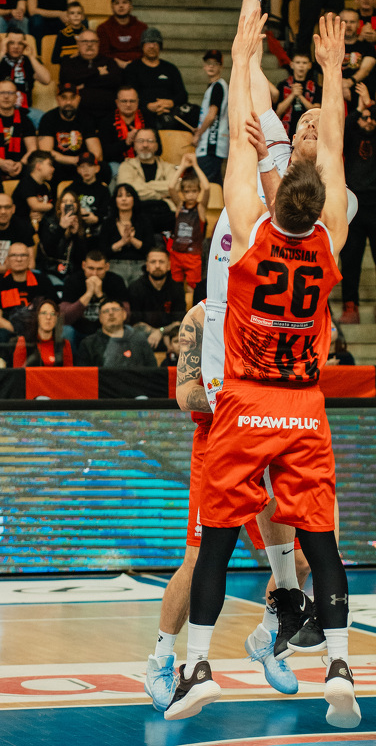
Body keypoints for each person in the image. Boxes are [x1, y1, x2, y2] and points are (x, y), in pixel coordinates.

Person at [165, 6, 360, 731]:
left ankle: (197, 668)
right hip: (303, 406)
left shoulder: (249, 235)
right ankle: (339, 664)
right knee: (322, 543)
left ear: (274, 196)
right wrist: (333, 73)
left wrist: (245, 58)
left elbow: (243, 165)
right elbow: (331, 147)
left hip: (246, 402)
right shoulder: (332, 240)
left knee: (216, 540)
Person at [143, 300, 305, 710]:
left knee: (299, 561)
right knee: (198, 561)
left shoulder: (271, 307)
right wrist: (236, 398)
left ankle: (268, 638)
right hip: (217, 446)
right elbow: (185, 395)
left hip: (266, 440)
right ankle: (161, 660)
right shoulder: (201, 317)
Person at [339, 83, 376, 328]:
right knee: (350, 260)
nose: (368, 120)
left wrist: (372, 106)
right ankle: (349, 306)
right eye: (364, 118)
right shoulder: (351, 138)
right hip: (354, 208)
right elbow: (342, 128)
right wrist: (359, 109)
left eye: (372, 117)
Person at [37, 80, 102, 188]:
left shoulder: (86, 118)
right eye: (64, 98)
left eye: (72, 98)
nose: (68, 102)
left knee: (103, 168)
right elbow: (45, 152)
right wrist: (74, 160)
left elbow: (96, 153)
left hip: (82, 164)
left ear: (78, 99)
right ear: (57, 99)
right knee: (48, 166)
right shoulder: (48, 118)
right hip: (58, 165)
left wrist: (84, 163)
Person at [124, 28, 189, 129]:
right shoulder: (133, 68)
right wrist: (147, 106)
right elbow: (127, 94)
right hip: (142, 113)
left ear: (160, 46)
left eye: (155, 43)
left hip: (169, 113)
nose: (152, 46)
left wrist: (171, 103)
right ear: (142, 46)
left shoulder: (170, 68)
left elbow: (183, 94)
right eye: (148, 42)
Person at [60, 250, 130, 345]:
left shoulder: (116, 281)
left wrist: (100, 295)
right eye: (91, 268)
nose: (94, 274)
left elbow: (126, 315)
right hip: (78, 330)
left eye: (99, 269)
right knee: (64, 330)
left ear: (107, 267)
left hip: (106, 331)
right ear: (83, 265)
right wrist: (88, 294)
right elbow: (64, 318)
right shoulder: (72, 281)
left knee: (128, 329)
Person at [117, 128, 176, 234]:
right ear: (134, 145)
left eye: (150, 141)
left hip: (164, 213)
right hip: (137, 213)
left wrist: (143, 186)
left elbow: (175, 187)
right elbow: (128, 191)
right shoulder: (125, 166)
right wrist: (161, 194)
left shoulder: (168, 167)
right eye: (140, 141)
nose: (145, 145)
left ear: (157, 145)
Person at [0, 242, 57, 352]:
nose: (19, 259)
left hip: (40, 329)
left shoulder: (42, 281)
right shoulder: (1, 283)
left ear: (29, 258)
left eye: (23, 255)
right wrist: (18, 331)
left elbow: (54, 310)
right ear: (7, 259)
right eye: (14, 255)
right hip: (10, 330)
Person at [59, 29, 122, 126]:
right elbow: (66, 80)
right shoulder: (69, 63)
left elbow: (116, 81)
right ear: (78, 44)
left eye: (93, 41)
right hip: (78, 114)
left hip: (108, 113)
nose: (89, 45)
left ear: (98, 44)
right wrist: (96, 72)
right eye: (85, 41)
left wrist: (84, 83)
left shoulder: (109, 62)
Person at [129, 246, 185, 349]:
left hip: (171, 335)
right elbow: (135, 323)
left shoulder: (177, 289)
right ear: (147, 266)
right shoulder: (135, 288)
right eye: (153, 262)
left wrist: (160, 331)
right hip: (143, 336)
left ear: (168, 266)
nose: (157, 266)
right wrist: (156, 332)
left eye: (161, 262)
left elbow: (179, 321)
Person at [168, 153, 210, 292]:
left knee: (192, 288)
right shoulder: (180, 206)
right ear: (182, 193)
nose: (190, 194)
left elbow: (207, 188)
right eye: (186, 191)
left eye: (194, 191)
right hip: (176, 253)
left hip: (193, 255)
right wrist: (182, 166)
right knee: (175, 288)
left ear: (198, 192)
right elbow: (171, 187)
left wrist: (195, 166)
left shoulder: (200, 208)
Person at [77, 296, 157, 368]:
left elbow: (152, 371)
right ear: (100, 318)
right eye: (106, 311)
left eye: (115, 309)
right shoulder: (88, 344)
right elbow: (83, 376)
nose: (111, 313)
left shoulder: (139, 340)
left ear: (124, 314)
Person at [100, 183, 153, 285]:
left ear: (134, 199)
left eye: (128, 195)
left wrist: (132, 240)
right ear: (115, 200)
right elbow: (103, 251)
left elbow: (150, 249)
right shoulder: (108, 222)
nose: (124, 199)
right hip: (115, 265)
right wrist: (122, 242)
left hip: (140, 265)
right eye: (120, 196)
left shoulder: (144, 221)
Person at [35, 186, 87, 280]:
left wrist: (75, 234)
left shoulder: (81, 223)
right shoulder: (49, 222)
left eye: (72, 202)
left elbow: (81, 257)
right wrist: (61, 228)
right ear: (59, 205)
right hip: (51, 270)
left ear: (77, 206)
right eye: (64, 201)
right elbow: (48, 250)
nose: (68, 204)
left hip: (73, 272)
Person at [193, 49, 228, 184]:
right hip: (214, 145)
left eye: (215, 63)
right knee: (215, 185)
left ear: (221, 67)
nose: (211, 66)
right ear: (204, 65)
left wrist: (198, 134)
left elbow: (212, 114)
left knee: (203, 184)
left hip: (211, 145)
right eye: (208, 63)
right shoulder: (215, 86)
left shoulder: (217, 86)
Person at [12, 296, 73, 367]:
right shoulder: (24, 342)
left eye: (52, 314)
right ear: (37, 317)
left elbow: (69, 372)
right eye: (44, 313)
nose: (48, 317)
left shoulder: (64, 344)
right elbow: (18, 372)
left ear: (56, 319)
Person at [97, 85, 148, 171]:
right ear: (117, 102)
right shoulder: (107, 121)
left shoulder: (147, 118)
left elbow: (159, 150)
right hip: (118, 164)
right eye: (124, 101)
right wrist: (126, 142)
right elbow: (106, 154)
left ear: (137, 102)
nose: (128, 104)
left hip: (145, 162)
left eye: (132, 101)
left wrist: (142, 140)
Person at [0, 32, 50, 112]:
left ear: (25, 45)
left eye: (20, 43)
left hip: (25, 110)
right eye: (11, 43)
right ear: (6, 44)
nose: (16, 47)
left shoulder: (30, 61)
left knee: (41, 116)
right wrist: (2, 51)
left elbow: (46, 80)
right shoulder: (1, 59)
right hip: (2, 109)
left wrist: (31, 56)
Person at [67, 150, 110, 241]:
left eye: (90, 166)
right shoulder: (72, 188)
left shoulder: (103, 190)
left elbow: (106, 213)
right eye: (82, 166)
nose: (86, 170)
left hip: (97, 231)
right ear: (78, 170)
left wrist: (96, 219)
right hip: (75, 227)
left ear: (97, 168)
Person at [95, 0, 146, 68]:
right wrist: (119, 63)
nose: (121, 6)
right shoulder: (103, 28)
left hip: (137, 65)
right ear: (112, 7)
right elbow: (103, 53)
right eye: (117, 3)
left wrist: (132, 64)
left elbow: (144, 51)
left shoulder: (142, 27)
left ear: (130, 6)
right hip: (111, 65)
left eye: (124, 2)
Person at [0, 77, 37, 180]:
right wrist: (1, 163)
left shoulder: (25, 120)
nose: (6, 96)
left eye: (10, 93)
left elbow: (32, 149)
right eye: (2, 93)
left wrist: (21, 164)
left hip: (20, 167)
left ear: (16, 96)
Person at [12, 148, 55, 224]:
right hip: (20, 224)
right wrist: (54, 206)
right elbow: (35, 206)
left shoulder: (45, 186)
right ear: (38, 166)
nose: (53, 169)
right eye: (50, 165)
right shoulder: (26, 183)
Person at [0, 192, 34, 273]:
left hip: (16, 275)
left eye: (7, 207)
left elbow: (31, 264)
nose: (3, 211)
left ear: (13, 209)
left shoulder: (23, 227)